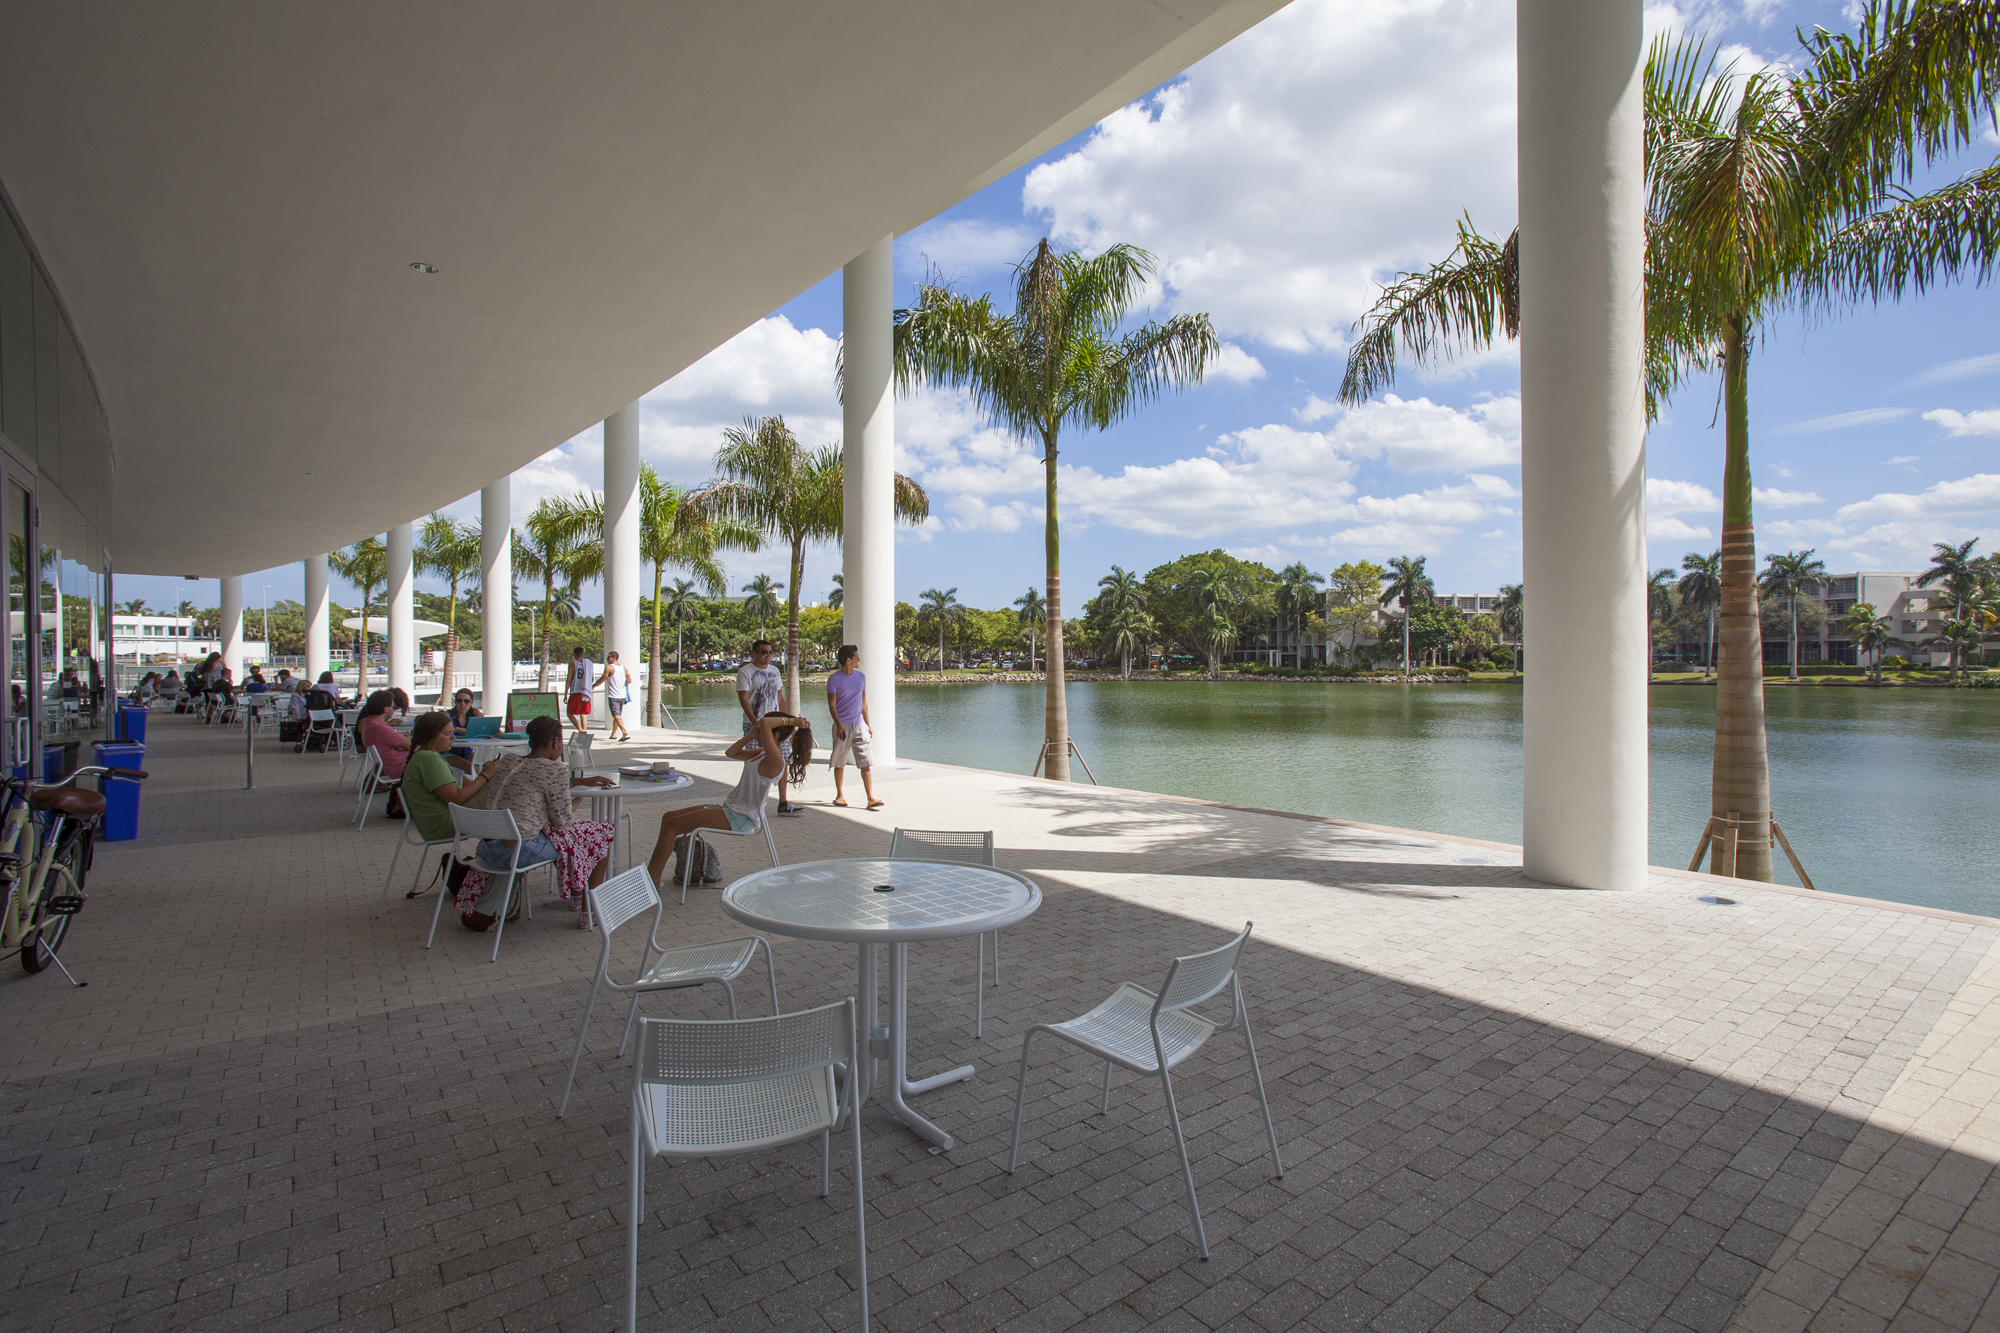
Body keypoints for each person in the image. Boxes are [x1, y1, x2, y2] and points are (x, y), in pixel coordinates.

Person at [453, 715, 617, 931]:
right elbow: (562, 823)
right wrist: (576, 800)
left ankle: (577, 895)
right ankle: (590, 912)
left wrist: (578, 783)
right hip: (518, 852)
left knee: (573, 838)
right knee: (601, 834)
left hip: (487, 848)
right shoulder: (555, 770)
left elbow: (531, 783)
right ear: (555, 742)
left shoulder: (508, 761)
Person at [645, 710, 813, 890]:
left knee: (672, 826)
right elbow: (731, 753)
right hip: (731, 809)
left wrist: (793, 721)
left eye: (760, 730)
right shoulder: (760, 754)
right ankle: (654, 876)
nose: (758, 731)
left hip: (740, 817)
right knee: (668, 817)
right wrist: (750, 735)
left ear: (774, 734)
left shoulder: (776, 761)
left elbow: (764, 722)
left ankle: (651, 882)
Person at [399, 712, 502, 877]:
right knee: (502, 784)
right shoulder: (429, 759)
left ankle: (500, 845)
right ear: (431, 736)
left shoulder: (423, 756)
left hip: (436, 823)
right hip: (445, 824)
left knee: (497, 785)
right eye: (447, 734)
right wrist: (485, 775)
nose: (453, 737)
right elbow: (454, 798)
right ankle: (506, 850)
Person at [734, 641, 800, 816]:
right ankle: (750, 803)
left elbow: (780, 698)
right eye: (764, 652)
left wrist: (787, 721)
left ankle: (783, 802)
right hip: (755, 724)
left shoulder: (775, 671)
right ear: (754, 653)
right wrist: (755, 723)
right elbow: (744, 700)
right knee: (754, 762)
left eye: (770, 652)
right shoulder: (745, 672)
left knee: (783, 760)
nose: (768, 656)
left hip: (776, 724)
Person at [825, 645, 881, 809]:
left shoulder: (861, 677)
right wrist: (838, 725)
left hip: (859, 725)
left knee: (865, 761)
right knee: (839, 761)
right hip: (842, 725)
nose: (859, 659)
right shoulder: (833, 679)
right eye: (857, 656)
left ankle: (871, 798)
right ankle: (839, 796)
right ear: (848, 660)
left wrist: (868, 725)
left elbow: (864, 703)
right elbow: (831, 704)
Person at [355, 691, 413, 817]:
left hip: (393, 766)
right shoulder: (380, 728)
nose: (393, 710)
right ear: (386, 709)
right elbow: (411, 745)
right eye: (392, 707)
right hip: (402, 767)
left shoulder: (370, 724)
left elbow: (398, 742)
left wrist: (400, 742)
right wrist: (405, 739)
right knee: (447, 760)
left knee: (450, 760)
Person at [594, 651, 632, 742]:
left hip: (613, 696)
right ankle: (613, 734)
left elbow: (602, 679)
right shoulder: (624, 668)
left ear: (614, 658)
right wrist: (623, 685)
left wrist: (593, 686)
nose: (607, 659)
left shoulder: (609, 668)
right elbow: (629, 680)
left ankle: (624, 732)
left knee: (616, 716)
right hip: (622, 695)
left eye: (608, 657)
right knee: (617, 716)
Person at [565, 646, 595, 736]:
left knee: (570, 713)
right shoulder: (588, 664)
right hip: (585, 692)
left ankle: (580, 728)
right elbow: (592, 678)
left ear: (574, 654)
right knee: (583, 713)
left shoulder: (572, 664)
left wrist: (566, 693)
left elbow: (568, 680)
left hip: (576, 691)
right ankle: (584, 729)